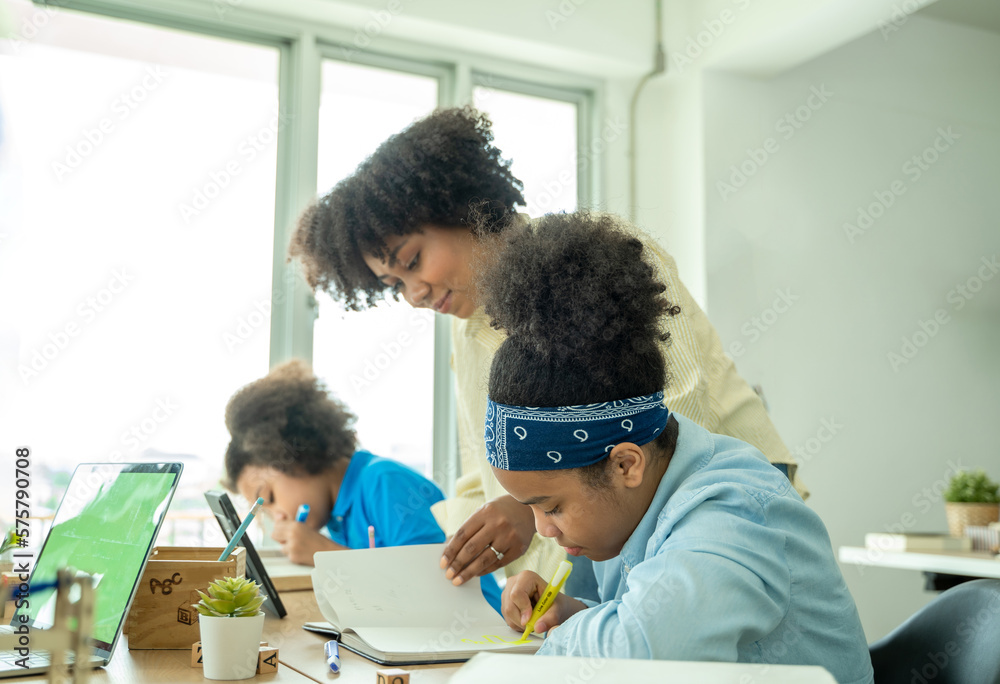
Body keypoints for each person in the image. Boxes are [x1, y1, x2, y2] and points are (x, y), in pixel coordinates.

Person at [289, 106, 806, 592]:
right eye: (393, 284)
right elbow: (484, 468)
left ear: (467, 208)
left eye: (413, 260)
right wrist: (468, 553)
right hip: (606, 560)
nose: (414, 294)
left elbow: (668, 427)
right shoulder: (466, 331)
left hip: (723, 519)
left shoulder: (603, 260)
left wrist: (527, 507)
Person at [477, 211, 873, 682]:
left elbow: (641, 651)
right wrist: (569, 611)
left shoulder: (734, 512)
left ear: (625, 464)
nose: (543, 530)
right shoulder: (637, 507)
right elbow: (639, 621)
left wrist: (572, 633)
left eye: (553, 506)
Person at [221, 359, 503, 610]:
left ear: (294, 454)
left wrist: (325, 553)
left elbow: (434, 586)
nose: (278, 516)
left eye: (269, 498)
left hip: (481, 638)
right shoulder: (338, 516)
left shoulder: (384, 482)